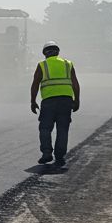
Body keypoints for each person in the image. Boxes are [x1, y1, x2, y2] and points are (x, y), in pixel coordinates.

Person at [30, 40, 81, 170]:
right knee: (62, 129)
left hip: (48, 101)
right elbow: (75, 83)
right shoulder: (67, 64)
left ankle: (47, 153)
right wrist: (77, 100)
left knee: (45, 128)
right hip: (66, 101)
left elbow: (35, 83)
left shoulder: (42, 65)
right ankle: (59, 156)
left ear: (44, 54)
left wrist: (33, 101)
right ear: (58, 52)